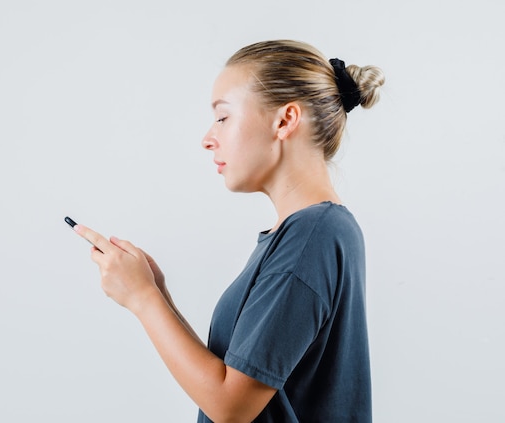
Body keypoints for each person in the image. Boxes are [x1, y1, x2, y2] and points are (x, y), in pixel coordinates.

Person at [72, 39, 385, 422]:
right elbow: (231, 377)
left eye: (223, 117)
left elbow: (231, 406)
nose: (208, 138)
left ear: (285, 120)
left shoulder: (312, 235)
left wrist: (142, 299)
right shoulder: (309, 232)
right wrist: (157, 294)